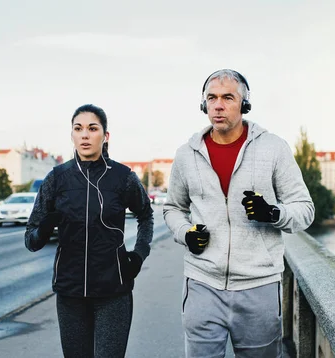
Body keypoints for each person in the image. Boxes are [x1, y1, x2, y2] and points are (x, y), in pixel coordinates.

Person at [163, 69, 315, 358]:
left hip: (258, 287)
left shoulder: (273, 148)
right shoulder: (186, 154)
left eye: (227, 98)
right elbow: (173, 208)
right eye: (212, 98)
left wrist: (272, 212)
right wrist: (185, 233)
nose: (218, 105)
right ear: (203, 105)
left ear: (244, 105)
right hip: (202, 283)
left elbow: (305, 210)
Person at [25, 104, 154, 358]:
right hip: (70, 292)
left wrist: (138, 255)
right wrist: (43, 229)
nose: (85, 135)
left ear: (105, 136)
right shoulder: (56, 179)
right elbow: (31, 239)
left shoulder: (122, 177)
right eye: (78, 128)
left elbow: (146, 215)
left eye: (92, 128)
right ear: (72, 135)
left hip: (113, 291)